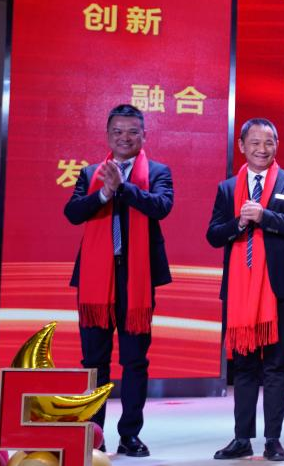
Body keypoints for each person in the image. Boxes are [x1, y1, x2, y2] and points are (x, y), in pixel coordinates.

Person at [64, 103, 173, 457]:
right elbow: (73, 213)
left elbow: (161, 206)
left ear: (144, 135)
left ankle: (130, 435)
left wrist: (123, 188)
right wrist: (104, 193)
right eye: (118, 132)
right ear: (108, 135)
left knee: (134, 360)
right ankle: (94, 434)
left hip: (137, 277)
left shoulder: (157, 171)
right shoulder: (90, 172)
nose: (125, 138)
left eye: (132, 132)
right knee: (93, 361)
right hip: (96, 278)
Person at [207, 119, 284, 461]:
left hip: (280, 289)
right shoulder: (227, 189)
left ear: (276, 145)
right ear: (242, 146)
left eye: (268, 142)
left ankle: (272, 439)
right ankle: (241, 438)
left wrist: (264, 216)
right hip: (240, 292)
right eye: (254, 142)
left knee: (276, 366)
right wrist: (239, 223)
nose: (261, 149)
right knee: (244, 366)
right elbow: (213, 235)